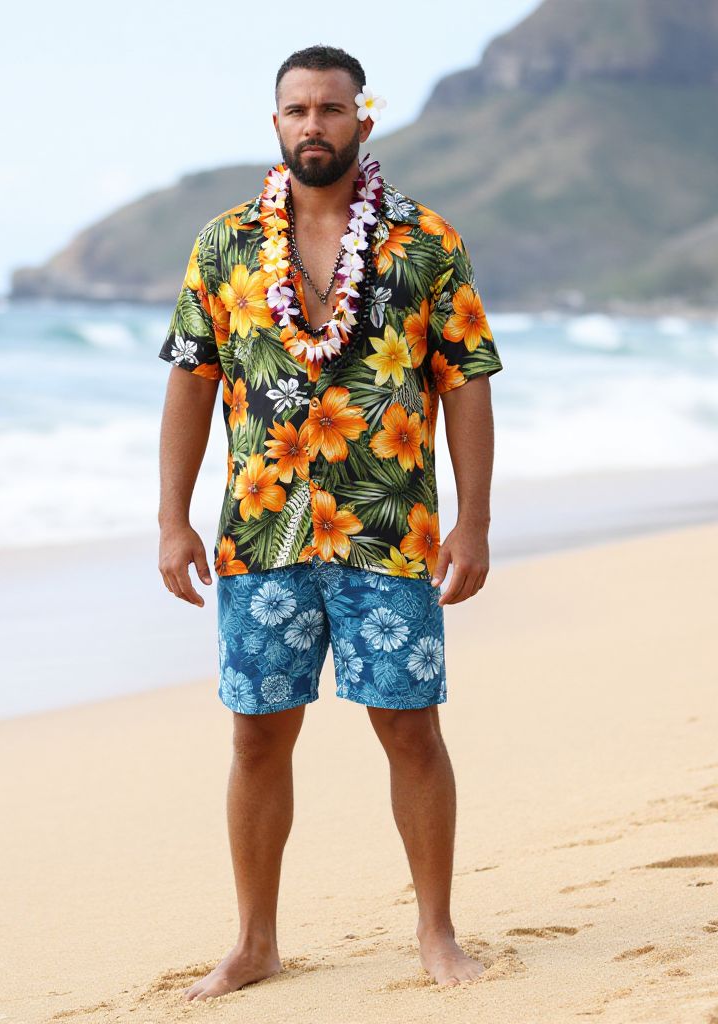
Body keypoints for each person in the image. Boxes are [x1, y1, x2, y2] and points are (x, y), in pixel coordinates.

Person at [156, 43, 503, 1001]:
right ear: (276, 122)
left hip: (389, 530)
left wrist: (474, 523)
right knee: (257, 737)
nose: (315, 124)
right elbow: (191, 382)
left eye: (332, 108)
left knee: (410, 728)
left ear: (363, 119)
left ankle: (436, 933)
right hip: (261, 533)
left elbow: (466, 384)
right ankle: (254, 942)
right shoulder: (224, 245)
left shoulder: (425, 240)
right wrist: (172, 520)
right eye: (298, 109)